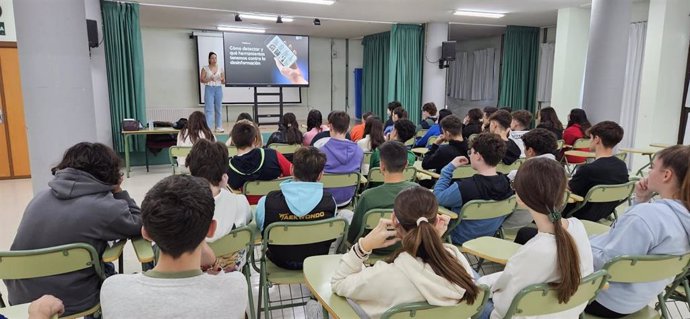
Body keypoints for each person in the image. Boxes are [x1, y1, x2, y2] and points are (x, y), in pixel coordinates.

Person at [5, 142, 143, 316]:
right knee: (107, 269)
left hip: (22, 299)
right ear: (111, 172)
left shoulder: (39, 197)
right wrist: (118, 190)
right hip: (75, 299)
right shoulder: (106, 207)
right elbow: (139, 224)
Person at [100, 175, 248, 318]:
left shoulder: (113, 289)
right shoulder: (235, 285)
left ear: (146, 233)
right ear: (211, 229)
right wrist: (212, 261)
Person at [331, 186, 479, 319]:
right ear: (434, 222)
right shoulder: (457, 260)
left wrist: (363, 246)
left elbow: (338, 283)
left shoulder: (384, 275)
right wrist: (435, 240)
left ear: (394, 219)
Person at [478, 158, 594, 319]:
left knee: (467, 281)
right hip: (569, 312)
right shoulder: (577, 227)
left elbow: (504, 308)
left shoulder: (536, 250)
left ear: (520, 196)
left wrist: (481, 284)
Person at [585, 145, 690, 318]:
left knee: (540, 242)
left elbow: (609, 264)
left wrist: (579, 243)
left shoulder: (646, 216)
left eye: (652, 167)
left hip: (603, 298)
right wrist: (640, 200)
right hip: (638, 298)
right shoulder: (682, 215)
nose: (648, 172)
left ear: (666, 175)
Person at [255, 147, 337, 270]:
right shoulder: (330, 202)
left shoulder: (266, 202)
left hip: (279, 261)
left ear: (292, 169)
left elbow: (261, 227)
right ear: (320, 175)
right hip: (316, 260)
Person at [434, 133, 514, 245]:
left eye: (470, 152)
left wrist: (448, 169)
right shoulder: (508, 184)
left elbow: (437, 198)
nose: (470, 155)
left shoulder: (464, 187)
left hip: (459, 237)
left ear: (478, 156)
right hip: (489, 238)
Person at [186, 139, 251, 271]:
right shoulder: (240, 202)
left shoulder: (180, 206)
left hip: (193, 271)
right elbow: (248, 218)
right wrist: (226, 188)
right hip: (230, 271)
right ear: (223, 175)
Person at [346, 141, 418, 244]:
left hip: (374, 249)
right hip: (406, 246)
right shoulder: (418, 191)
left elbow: (353, 234)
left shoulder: (368, 196)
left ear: (382, 166)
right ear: (406, 164)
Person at [565, 121, 629, 221]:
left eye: (590, 138)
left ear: (597, 139)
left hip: (579, 215)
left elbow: (569, 188)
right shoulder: (621, 166)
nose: (589, 141)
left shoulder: (588, 169)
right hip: (604, 213)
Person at [227, 121, 292, 205]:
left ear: (233, 141)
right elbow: (293, 173)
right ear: (255, 139)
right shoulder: (273, 155)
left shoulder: (229, 169)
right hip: (277, 207)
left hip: (248, 210)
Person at [315, 111, 364, 206]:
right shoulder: (359, 150)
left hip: (324, 201)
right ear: (349, 127)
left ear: (330, 126)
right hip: (348, 199)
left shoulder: (320, 152)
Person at [200, 51, 225, 132]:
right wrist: (210, 78)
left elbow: (224, 81)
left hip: (218, 88)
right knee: (209, 109)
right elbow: (202, 80)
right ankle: (208, 127)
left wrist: (220, 79)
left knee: (219, 108)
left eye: (215, 58)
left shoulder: (220, 68)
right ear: (209, 59)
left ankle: (219, 126)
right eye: (212, 58)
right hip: (209, 88)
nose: (214, 59)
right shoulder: (205, 68)